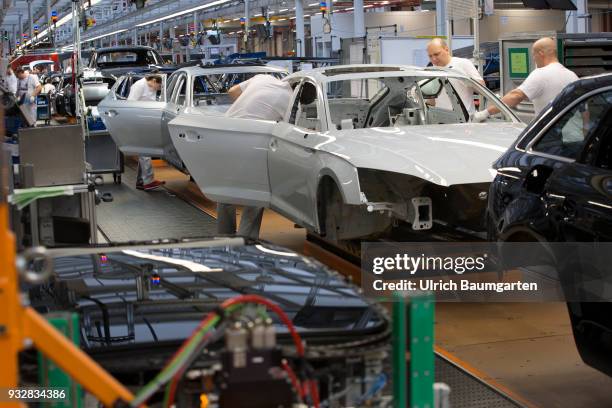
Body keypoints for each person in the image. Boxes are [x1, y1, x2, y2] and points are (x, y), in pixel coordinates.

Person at [217, 74, 294, 239]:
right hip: (250, 140)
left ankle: (224, 237)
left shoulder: (263, 78)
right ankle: (246, 241)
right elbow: (289, 129)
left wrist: (247, 108)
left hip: (225, 132)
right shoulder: (290, 99)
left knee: (224, 190)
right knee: (255, 193)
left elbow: (231, 91)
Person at [473, 37, 578, 121]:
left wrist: (485, 113)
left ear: (541, 53)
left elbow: (516, 95)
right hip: (575, 137)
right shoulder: (572, 75)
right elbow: (584, 110)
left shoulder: (541, 74)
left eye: (534, 54)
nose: (533, 58)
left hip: (553, 135)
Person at [127, 74, 165, 191]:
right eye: (158, 86)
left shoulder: (150, 86)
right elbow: (130, 104)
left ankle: (141, 181)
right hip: (137, 122)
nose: (158, 89)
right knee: (145, 151)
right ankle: (148, 181)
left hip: (146, 121)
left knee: (144, 151)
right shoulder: (138, 86)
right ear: (153, 80)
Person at [426, 38, 484, 113]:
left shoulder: (463, 64)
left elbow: (482, 88)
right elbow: (432, 101)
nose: (433, 59)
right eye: (430, 56)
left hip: (464, 119)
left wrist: (468, 81)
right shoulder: (431, 70)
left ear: (446, 50)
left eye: (436, 54)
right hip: (441, 118)